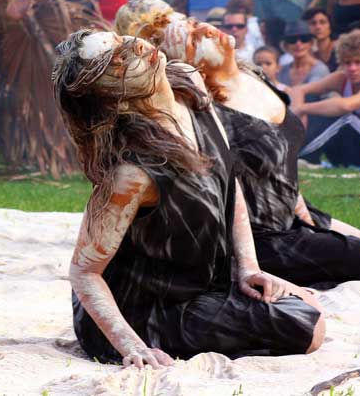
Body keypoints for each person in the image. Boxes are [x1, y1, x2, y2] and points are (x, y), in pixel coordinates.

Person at [54, 29, 324, 366]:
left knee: (308, 304)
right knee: (307, 326)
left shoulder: (190, 91)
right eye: (120, 61)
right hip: (142, 312)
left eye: (122, 40)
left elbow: (229, 179)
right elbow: (84, 272)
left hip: (197, 284)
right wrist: (131, 345)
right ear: (115, 98)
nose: (136, 45)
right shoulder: (132, 172)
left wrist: (249, 268)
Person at [115, 0, 360, 288]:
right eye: (190, 37)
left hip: (290, 210)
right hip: (258, 236)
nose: (205, 28)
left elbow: (284, 159)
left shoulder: (253, 73)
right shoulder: (202, 110)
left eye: (190, 21)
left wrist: (306, 218)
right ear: (184, 63)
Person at [293, 30, 360, 167]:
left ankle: (302, 155)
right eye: (347, 63)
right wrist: (298, 117)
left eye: (358, 62)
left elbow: (346, 106)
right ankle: (297, 151)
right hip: (351, 147)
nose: (352, 68)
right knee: (312, 98)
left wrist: (302, 109)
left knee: (346, 116)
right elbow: (299, 89)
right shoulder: (341, 78)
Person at [278, 20, 330, 90]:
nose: (298, 44)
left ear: (311, 43)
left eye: (304, 39)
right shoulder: (282, 71)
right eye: (292, 40)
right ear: (286, 45)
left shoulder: (320, 69)